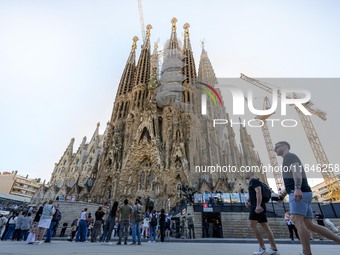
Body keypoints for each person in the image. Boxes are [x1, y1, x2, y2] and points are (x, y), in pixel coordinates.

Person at [275, 141, 340, 255]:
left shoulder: (290, 156)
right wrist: (283, 194)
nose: (275, 149)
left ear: (285, 146)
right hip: (303, 193)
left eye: (277, 146)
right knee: (309, 224)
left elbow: (297, 172)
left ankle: (306, 253)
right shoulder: (287, 159)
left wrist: (297, 188)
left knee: (296, 220)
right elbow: (291, 181)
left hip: (300, 192)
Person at [245, 170, 280, 255]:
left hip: (257, 207)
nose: (244, 174)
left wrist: (257, 205)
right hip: (260, 205)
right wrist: (249, 200)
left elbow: (258, 192)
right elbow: (254, 193)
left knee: (252, 225)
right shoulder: (254, 182)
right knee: (265, 227)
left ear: (250, 173)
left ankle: (262, 248)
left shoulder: (253, 181)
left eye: (245, 172)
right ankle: (274, 249)